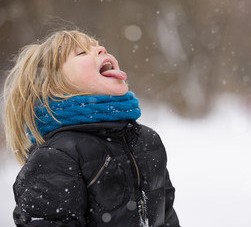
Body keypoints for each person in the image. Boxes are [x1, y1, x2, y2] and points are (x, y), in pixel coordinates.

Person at [3, 29, 180, 227]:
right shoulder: (57, 156)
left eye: (97, 46)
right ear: (53, 86)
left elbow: (167, 217)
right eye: (81, 52)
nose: (101, 49)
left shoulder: (147, 140)